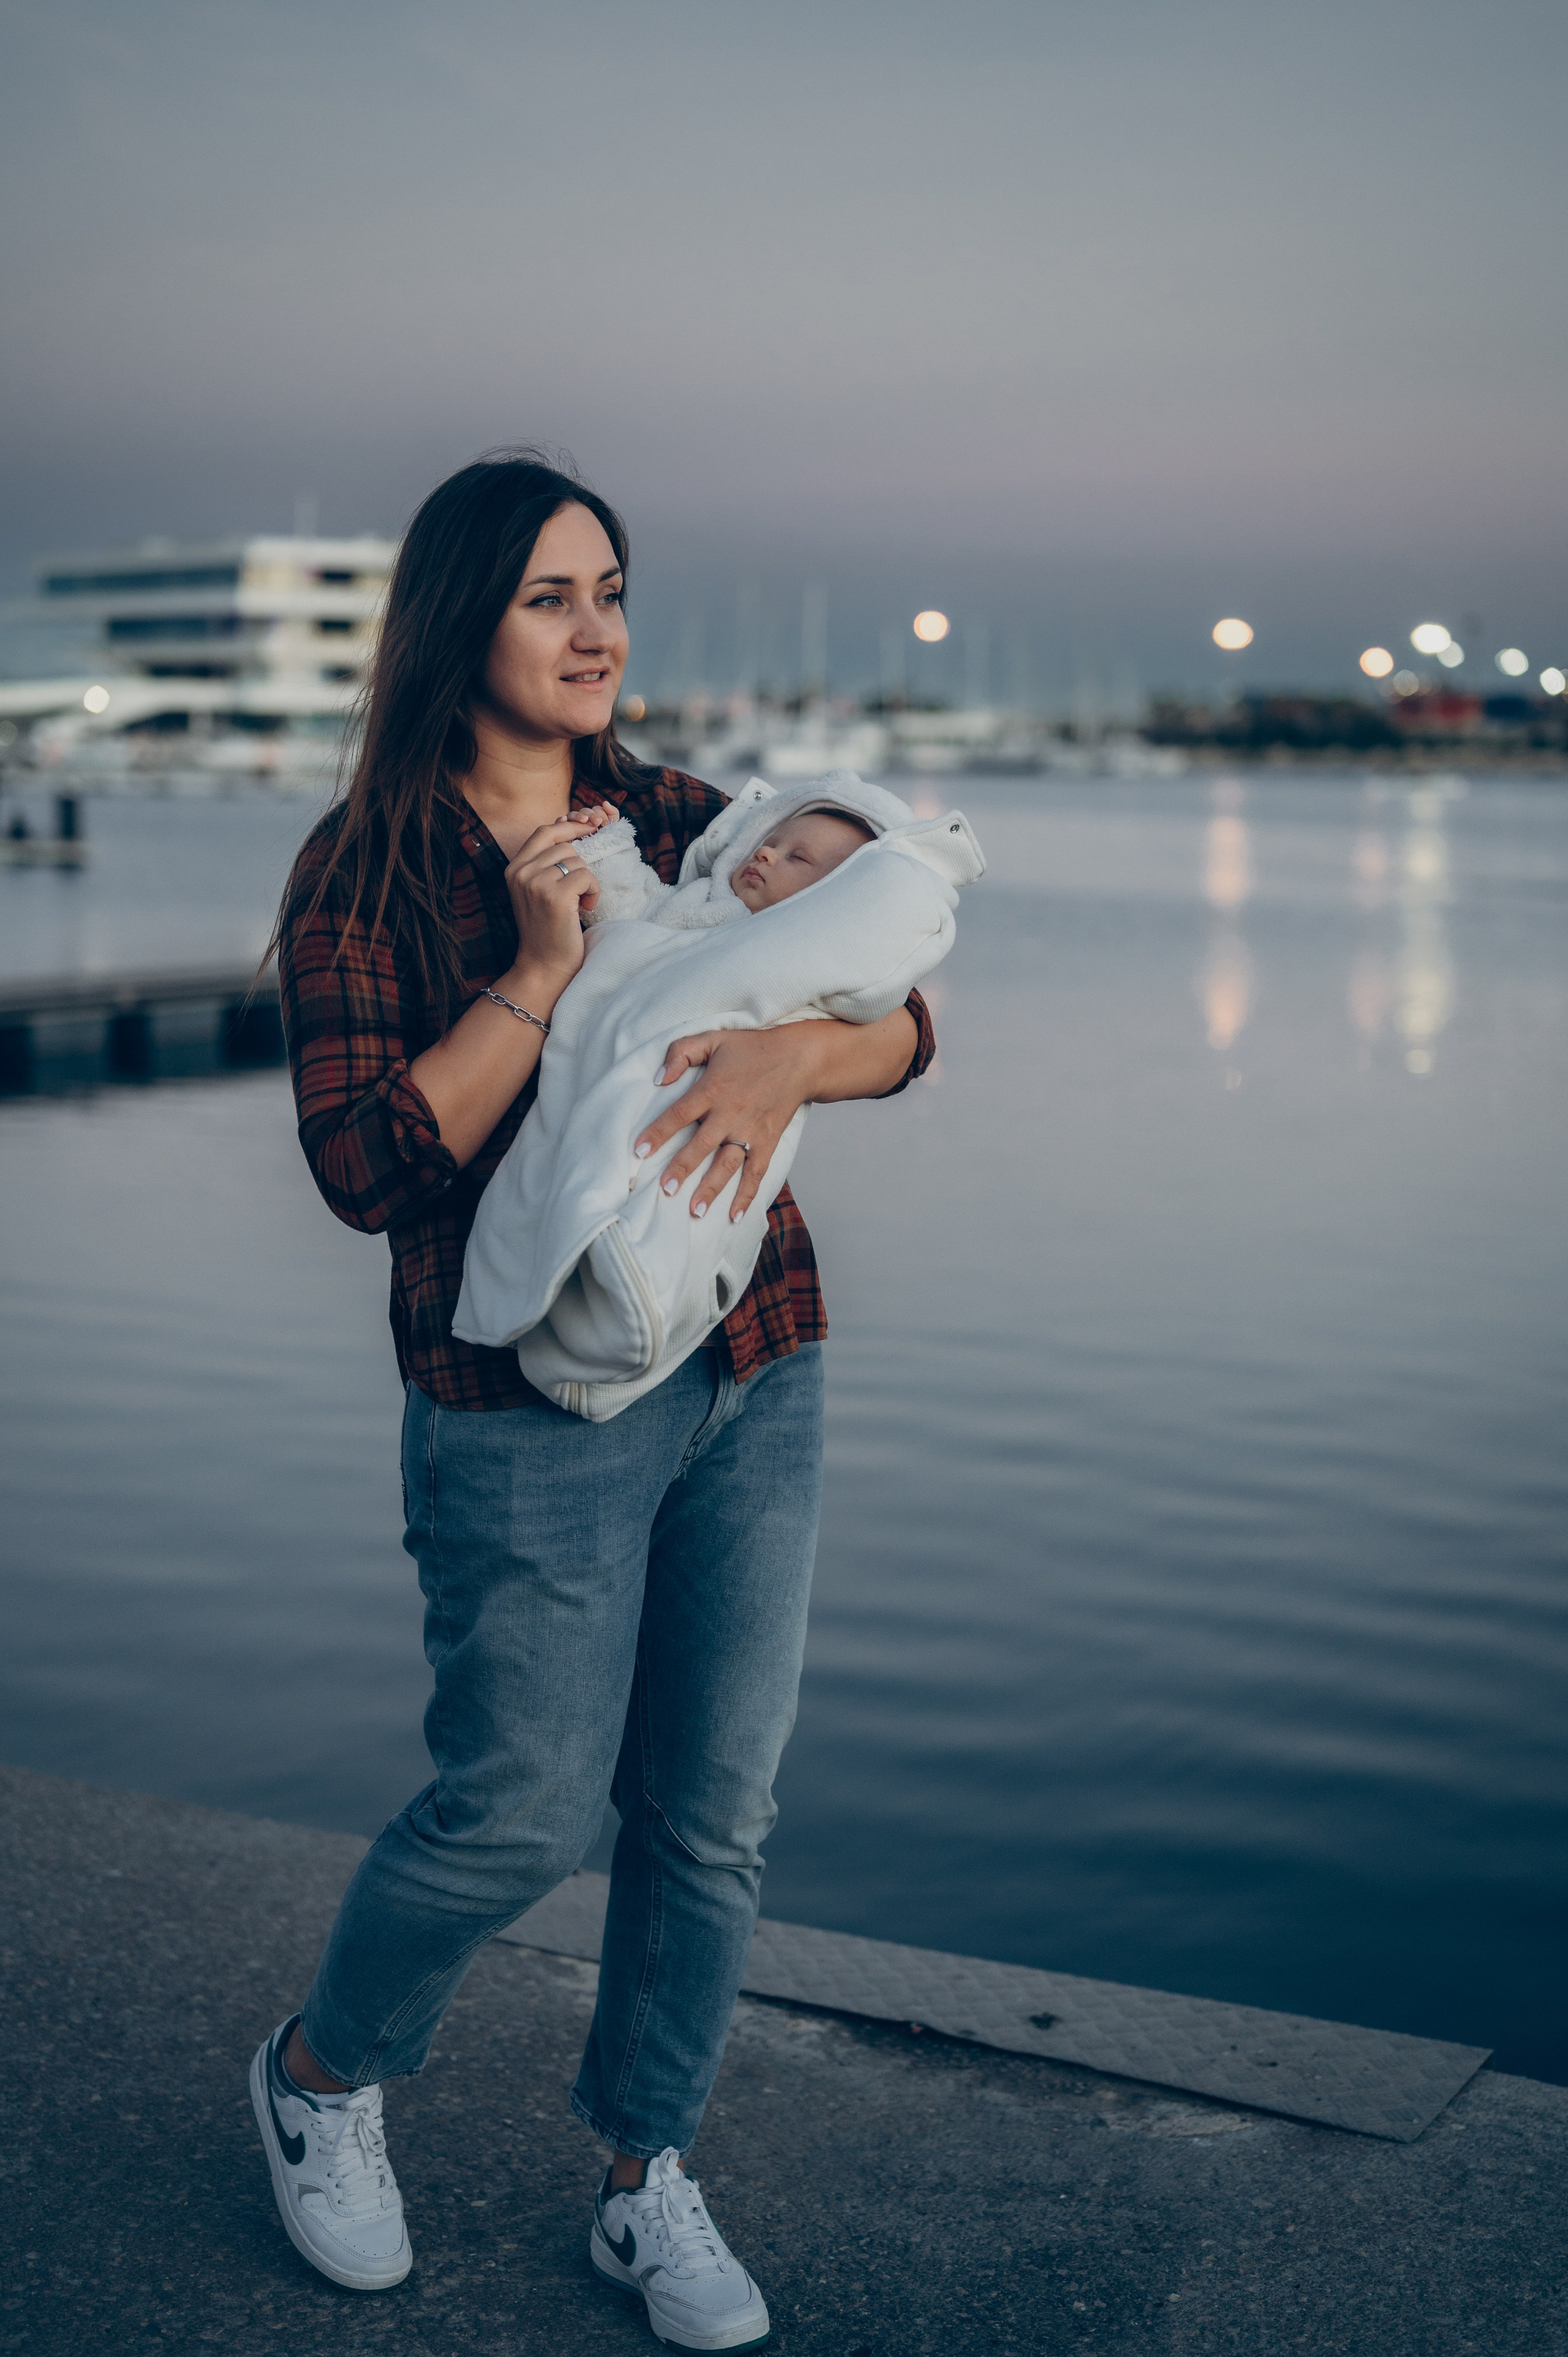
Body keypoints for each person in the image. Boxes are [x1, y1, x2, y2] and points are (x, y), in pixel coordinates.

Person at [250, 451, 935, 2352]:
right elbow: (368, 1166)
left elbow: (904, 1011)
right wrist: (547, 981)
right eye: (552, 592)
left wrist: (784, 1054)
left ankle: (644, 2176)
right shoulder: (365, 868)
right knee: (521, 1804)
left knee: (710, 1807)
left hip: (753, 1356)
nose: (597, 628)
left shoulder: (696, 818)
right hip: (518, 1400)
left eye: (610, 588)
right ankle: (320, 2072)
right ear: (459, 617)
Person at [454, 772, 983, 1419]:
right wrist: (604, 851)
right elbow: (636, 914)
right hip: (497, 1402)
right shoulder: (698, 896)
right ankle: (585, 1253)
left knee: (683, 1184)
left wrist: (798, 1057)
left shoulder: (792, 952)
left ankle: (637, 1280)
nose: (764, 853)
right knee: (597, 1147)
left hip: (765, 1349)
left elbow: (906, 1027)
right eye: (770, 841)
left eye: (797, 858)